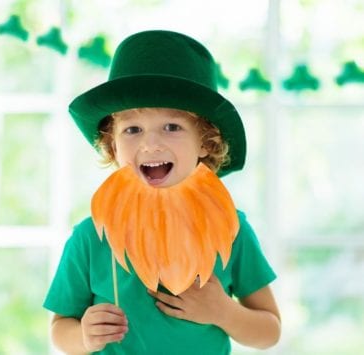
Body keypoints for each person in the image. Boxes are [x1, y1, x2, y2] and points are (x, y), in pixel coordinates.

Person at [44, 30, 281, 354]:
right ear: (113, 144)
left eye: (172, 127)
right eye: (132, 129)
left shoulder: (231, 231)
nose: (151, 143)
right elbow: (60, 329)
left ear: (205, 142)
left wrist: (224, 311)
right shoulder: (90, 238)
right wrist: (84, 335)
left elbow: (269, 331)